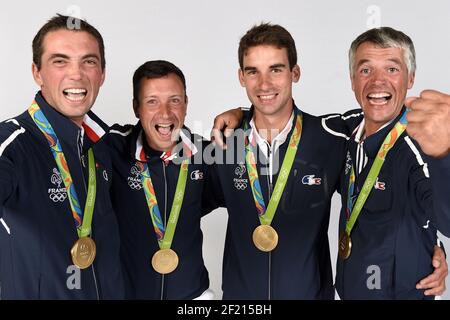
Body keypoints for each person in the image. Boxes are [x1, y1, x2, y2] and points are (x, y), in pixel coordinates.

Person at [211, 24, 447, 299]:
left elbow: (436, 208)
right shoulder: (226, 143)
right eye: (366, 70)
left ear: (294, 73)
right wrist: (241, 113)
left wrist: (432, 241)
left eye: (275, 69)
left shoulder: (340, 138)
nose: (265, 84)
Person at [0, 15, 124, 299]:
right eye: (60, 61)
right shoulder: (12, 145)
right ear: (37, 72)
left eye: (88, 62)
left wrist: (238, 118)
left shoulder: (106, 146)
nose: (76, 74)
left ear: (102, 74)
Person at [334, 27, 450, 299]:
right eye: (366, 70)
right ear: (352, 80)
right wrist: (242, 114)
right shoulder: (346, 129)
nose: (377, 82)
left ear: (410, 78)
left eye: (392, 69)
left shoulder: (421, 144)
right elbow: (301, 126)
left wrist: (444, 156)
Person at [107, 60, 220, 299]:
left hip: (193, 297)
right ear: (136, 107)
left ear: (186, 104)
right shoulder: (111, 147)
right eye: (152, 102)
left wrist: (242, 113)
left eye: (175, 100)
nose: (165, 113)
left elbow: (259, 151)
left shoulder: (207, 154)